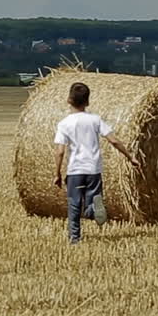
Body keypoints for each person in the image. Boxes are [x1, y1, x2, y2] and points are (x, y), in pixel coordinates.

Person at [53, 81, 141, 244]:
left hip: (75, 171)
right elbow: (114, 141)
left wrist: (57, 174)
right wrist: (130, 157)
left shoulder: (64, 124)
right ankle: (93, 209)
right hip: (93, 170)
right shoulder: (95, 120)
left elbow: (60, 151)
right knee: (93, 198)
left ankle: (75, 238)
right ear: (87, 102)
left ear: (68, 100)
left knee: (74, 205)